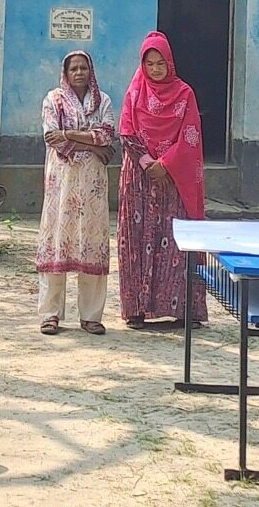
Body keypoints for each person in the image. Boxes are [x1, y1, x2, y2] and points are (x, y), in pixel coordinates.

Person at [116, 32, 207, 330]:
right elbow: (126, 131)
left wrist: (166, 165)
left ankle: (183, 309)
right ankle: (136, 310)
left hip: (173, 181)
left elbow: (190, 136)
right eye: (149, 63)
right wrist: (146, 162)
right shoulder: (135, 93)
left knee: (177, 239)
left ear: (170, 62)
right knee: (136, 238)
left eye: (160, 63)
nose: (155, 69)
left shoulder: (185, 94)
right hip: (139, 180)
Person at [36, 49, 114, 337]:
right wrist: (92, 146)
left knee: (92, 243)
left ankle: (91, 316)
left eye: (83, 68)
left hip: (93, 184)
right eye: (74, 69)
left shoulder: (102, 100)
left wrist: (71, 134)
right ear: (66, 73)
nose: (79, 72)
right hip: (62, 182)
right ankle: (50, 314)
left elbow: (107, 134)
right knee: (57, 242)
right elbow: (52, 137)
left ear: (90, 71)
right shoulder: (53, 99)